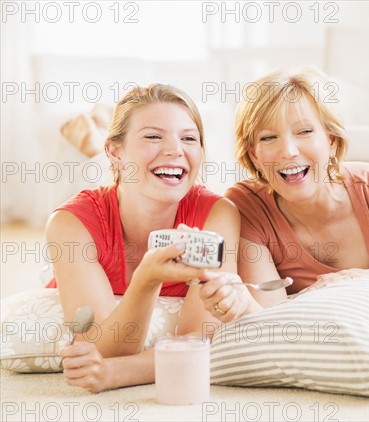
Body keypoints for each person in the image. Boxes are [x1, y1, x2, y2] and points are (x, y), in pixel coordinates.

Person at [47, 84, 257, 392]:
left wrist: (118, 374)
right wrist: (147, 278)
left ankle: (96, 137)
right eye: (153, 136)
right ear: (115, 150)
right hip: (108, 198)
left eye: (189, 138)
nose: (175, 150)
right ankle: (92, 140)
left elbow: (198, 340)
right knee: (101, 175)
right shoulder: (69, 223)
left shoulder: (218, 214)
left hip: (133, 177)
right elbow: (100, 348)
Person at [223, 67, 369, 309]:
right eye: (268, 137)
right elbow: (271, 318)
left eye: (305, 131)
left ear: (331, 141)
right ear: (253, 155)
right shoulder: (245, 207)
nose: (288, 151)